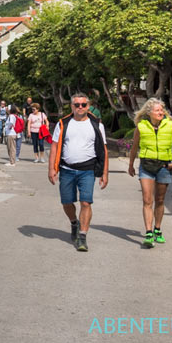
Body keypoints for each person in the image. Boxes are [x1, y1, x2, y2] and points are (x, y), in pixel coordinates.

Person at [48, 93, 109, 252]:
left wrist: (104, 173)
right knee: (67, 202)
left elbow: (104, 150)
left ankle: (82, 236)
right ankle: (74, 222)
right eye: (77, 105)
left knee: (86, 202)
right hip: (67, 169)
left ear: (88, 106)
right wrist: (52, 169)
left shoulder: (97, 125)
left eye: (83, 104)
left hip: (87, 170)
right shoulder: (63, 124)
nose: (80, 107)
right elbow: (54, 146)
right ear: (72, 106)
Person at [127, 98, 172, 248]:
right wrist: (131, 165)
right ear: (149, 112)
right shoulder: (141, 126)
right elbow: (134, 148)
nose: (160, 112)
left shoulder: (169, 126)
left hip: (164, 167)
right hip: (146, 166)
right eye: (157, 110)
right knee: (147, 200)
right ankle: (149, 232)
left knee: (159, 200)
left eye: (161, 110)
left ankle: (157, 229)